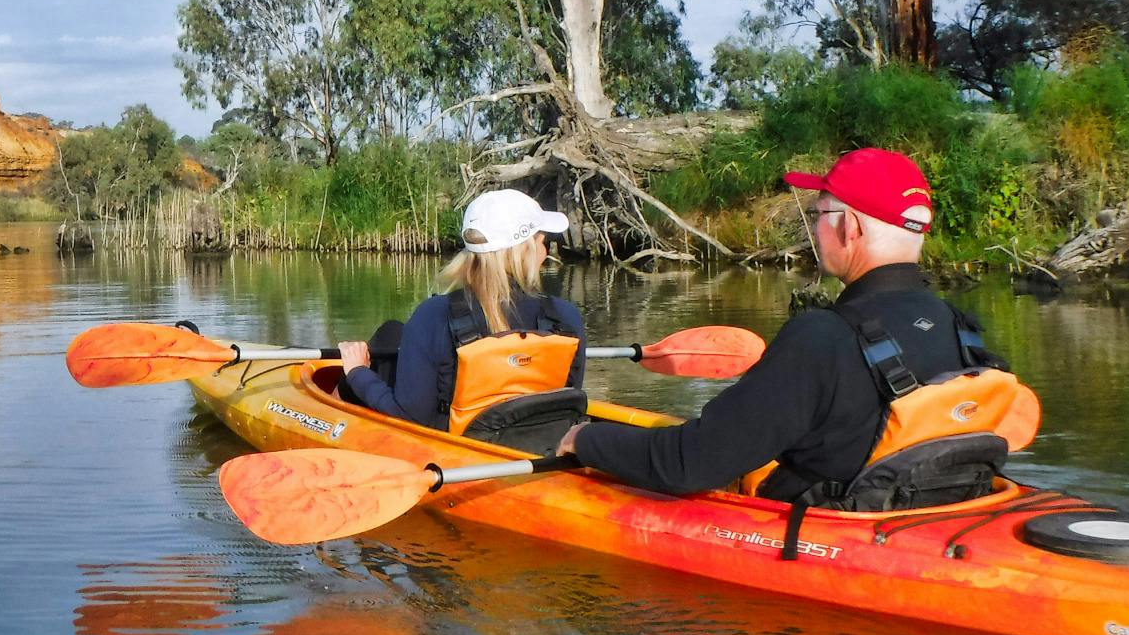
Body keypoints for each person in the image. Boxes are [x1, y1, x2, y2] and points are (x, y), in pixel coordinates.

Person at [556, 148, 1006, 508]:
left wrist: (587, 439)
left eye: (817, 214)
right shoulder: (961, 329)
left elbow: (687, 465)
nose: (813, 227)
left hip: (828, 537)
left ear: (848, 227)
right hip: (931, 512)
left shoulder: (822, 337)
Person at [339, 188, 585, 432]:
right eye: (543, 241)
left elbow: (410, 417)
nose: (545, 251)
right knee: (393, 332)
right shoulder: (566, 317)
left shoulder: (433, 316)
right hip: (540, 448)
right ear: (527, 249)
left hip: (460, 456)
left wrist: (358, 372)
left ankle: (336, 397)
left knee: (389, 335)